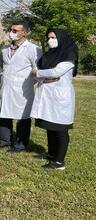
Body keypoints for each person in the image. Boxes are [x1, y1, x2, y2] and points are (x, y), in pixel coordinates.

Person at [30, 29, 78, 170]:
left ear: (61, 38)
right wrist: (41, 74)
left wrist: (39, 73)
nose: (50, 40)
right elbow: (35, 72)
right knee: (50, 125)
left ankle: (59, 161)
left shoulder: (69, 55)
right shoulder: (48, 55)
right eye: (49, 37)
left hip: (60, 95)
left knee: (60, 129)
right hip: (46, 93)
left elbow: (56, 72)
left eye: (53, 37)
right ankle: (51, 154)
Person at [0, 21, 42, 152]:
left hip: (22, 89)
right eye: (11, 29)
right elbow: (5, 67)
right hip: (6, 86)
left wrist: (26, 84)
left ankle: (21, 144)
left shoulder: (33, 49)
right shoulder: (5, 49)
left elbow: (38, 70)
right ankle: (5, 140)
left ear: (24, 33)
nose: (11, 32)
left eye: (15, 30)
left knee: (23, 117)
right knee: (3, 114)